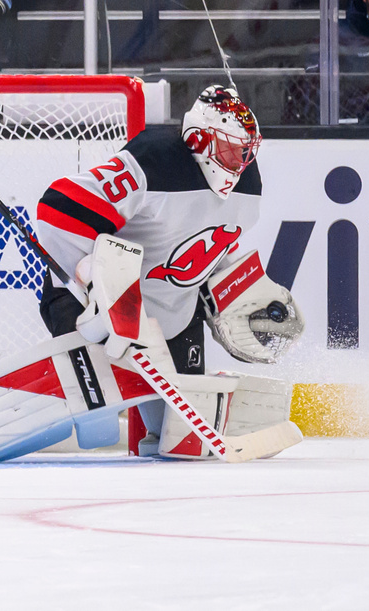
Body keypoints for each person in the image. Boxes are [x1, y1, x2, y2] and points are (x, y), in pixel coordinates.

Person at [35, 85, 302, 458]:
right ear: (197, 139)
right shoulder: (154, 160)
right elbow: (58, 209)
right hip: (91, 309)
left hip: (174, 318)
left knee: (182, 444)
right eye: (229, 150)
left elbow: (206, 252)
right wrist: (98, 284)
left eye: (245, 152)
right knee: (84, 419)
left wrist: (230, 294)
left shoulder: (248, 184)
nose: (238, 163)